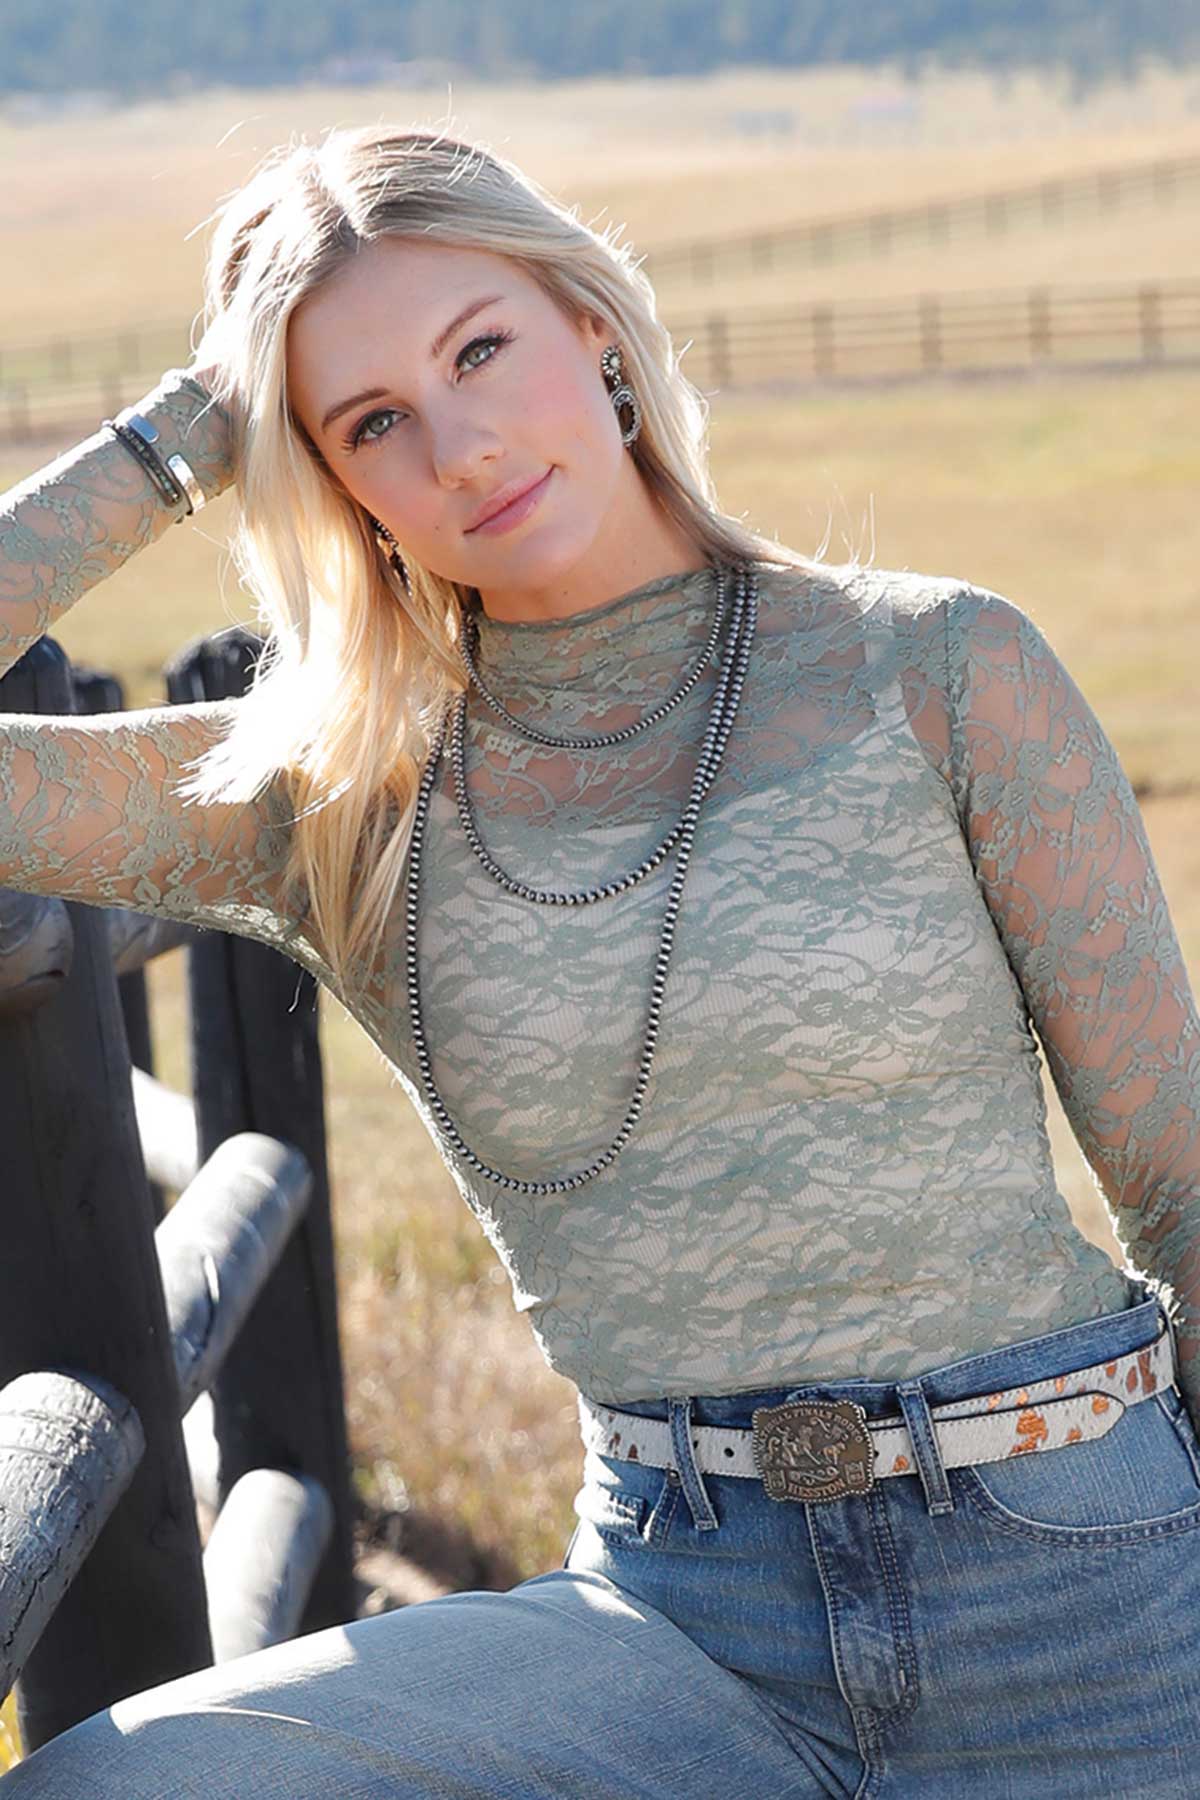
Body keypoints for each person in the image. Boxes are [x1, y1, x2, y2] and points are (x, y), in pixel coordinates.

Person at [0, 121, 1198, 1797]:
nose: (461, 445)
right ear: (334, 485)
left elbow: (1180, 1181)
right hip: (672, 1623)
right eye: (372, 422)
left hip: (1080, 1571)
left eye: (481, 348)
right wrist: (184, 435)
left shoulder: (936, 666)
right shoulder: (330, 795)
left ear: (598, 331)